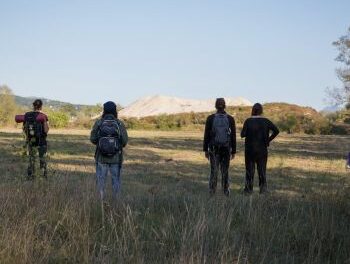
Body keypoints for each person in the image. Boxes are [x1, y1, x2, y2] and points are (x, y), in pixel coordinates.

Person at [90, 101, 128, 199]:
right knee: (116, 182)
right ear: (115, 110)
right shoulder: (119, 123)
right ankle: (116, 204)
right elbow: (124, 142)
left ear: (104, 110)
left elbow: (93, 139)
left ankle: (100, 204)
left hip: (101, 158)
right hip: (116, 159)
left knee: (101, 182)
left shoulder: (99, 122)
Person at [241, 103, 279, 194]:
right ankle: (263, 190)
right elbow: (276, 130)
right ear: (261, 111)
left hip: (249, 150)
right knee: (262, 170)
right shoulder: (266, 121)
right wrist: (268, 140)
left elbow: (242, 135)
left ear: (253, 110)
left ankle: (248, 190)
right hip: (262, 150)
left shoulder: (248, 121)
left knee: (249, 170)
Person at [203, 98, 236, 196]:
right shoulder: (230, 118)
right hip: (226, 148)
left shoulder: (210, 118)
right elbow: (233, 135)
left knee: (214, 170)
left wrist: (205, 149)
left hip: (213, 148)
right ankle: (226, 191)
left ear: (215, 106)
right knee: (225, 171)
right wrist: (233, 150)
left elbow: (206, 135)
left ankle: (212, 192)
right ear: (225, 105)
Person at [24, 99, 49, 179]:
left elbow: (24, 128)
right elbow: (46, 130)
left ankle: (30, 176)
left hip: (31, 141)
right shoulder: (43, 116)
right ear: (41, 106)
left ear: (33, 105)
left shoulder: (27, 115)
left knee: (31, 159)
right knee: (42, 159)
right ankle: (43, 176)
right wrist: (44, 121)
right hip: (41, 142)